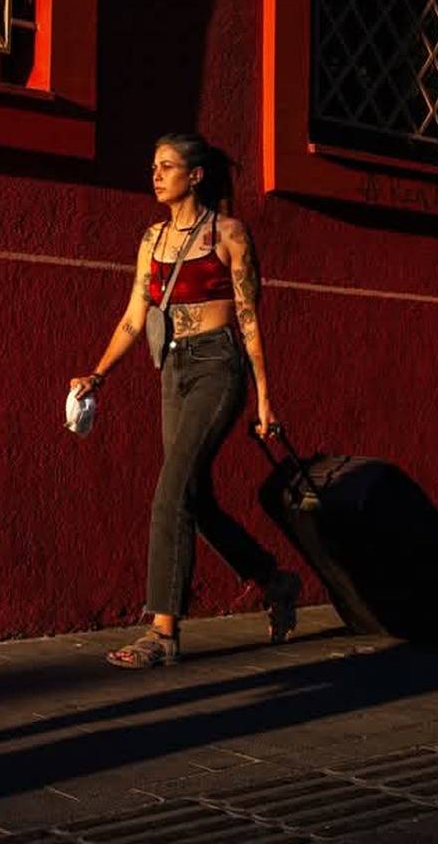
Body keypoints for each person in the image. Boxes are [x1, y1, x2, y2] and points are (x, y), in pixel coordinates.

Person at [70, 133, 301, 669]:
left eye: (167, 166)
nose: (156, 174)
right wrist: (98, 373)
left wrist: (265, 397)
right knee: (193, 499)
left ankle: (163, 633)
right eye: (154, 165)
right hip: (171, 369)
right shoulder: (151, 239)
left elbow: (249, 320)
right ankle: (275, 579)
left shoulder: (230, 234)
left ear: (195, 176)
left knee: (168, 493)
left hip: (219, 369)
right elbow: (134, 317)